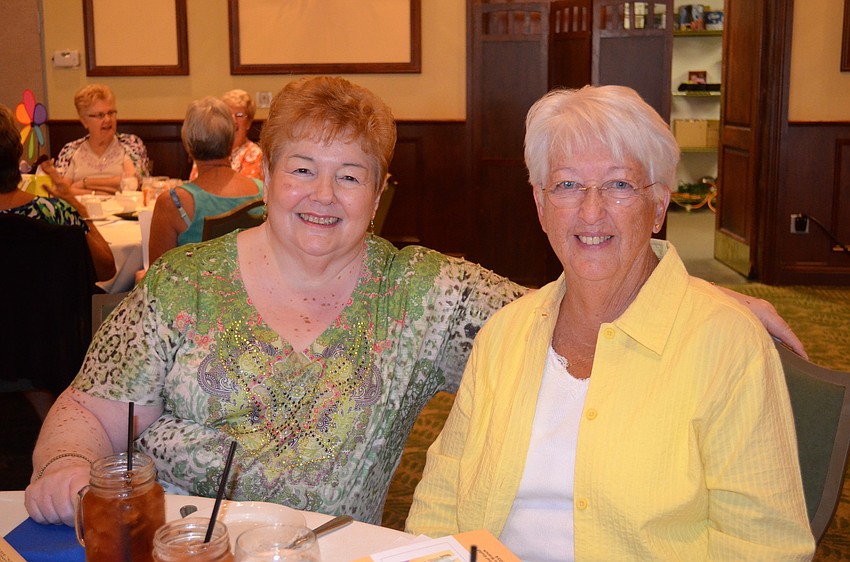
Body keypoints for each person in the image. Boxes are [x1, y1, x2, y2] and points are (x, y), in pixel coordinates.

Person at [24, 77, 806, 530]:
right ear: (267, 176)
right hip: (177, 546)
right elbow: (89, 410)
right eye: (303, 169)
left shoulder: (423, 295)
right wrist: (65, 463)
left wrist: (690, 292)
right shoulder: (183, 286)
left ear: (379, 195)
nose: (323, 196)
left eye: (351, 175)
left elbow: (571, 301)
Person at [405, 86, 815, 560]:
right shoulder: (505, 334)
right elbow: (441, 499)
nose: (591, 211)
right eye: (567, 185)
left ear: (658, 205)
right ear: (540, 205)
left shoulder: (726, 345)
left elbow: (765, 547)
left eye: (619, 185)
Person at [0, 104, 115, 282]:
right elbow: (106, 270)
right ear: (17, 151)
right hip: (53, 300)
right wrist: (77, 207)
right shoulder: (55, 212)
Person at [147, 96, 264, 265]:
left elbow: (157, 274)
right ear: (231, 140)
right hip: (253, 281)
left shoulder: (174, 203)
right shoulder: (263, 193)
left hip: (194, 283)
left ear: (187, 144)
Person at [41, 84, 149, 195]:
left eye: (111, 113)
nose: (108, 119)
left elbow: (133, 183)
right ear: (84, 121)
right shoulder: (71, 150)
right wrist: (98, 193)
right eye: (100, 115)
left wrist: (85, 183)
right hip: (79, 206)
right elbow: (62, 191)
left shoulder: (130, 144)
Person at [188, 89, 264, 182]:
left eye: (239, 115)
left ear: (248, 123)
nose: (233, 120)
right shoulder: (208, 150)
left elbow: (245, 188)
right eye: (228, 114)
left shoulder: (255, 154)